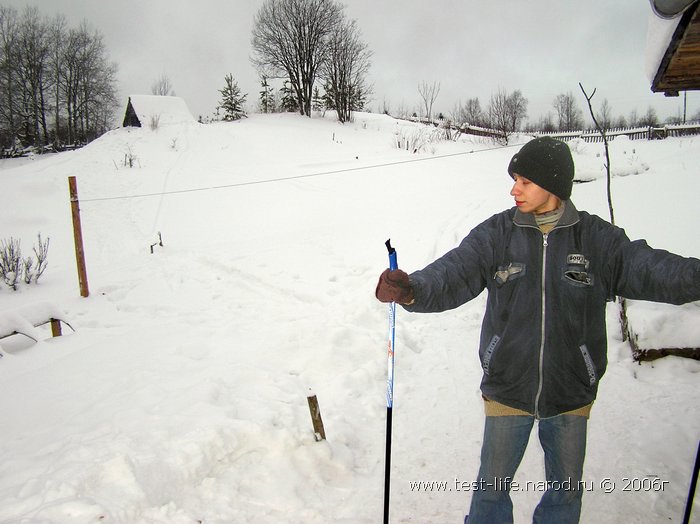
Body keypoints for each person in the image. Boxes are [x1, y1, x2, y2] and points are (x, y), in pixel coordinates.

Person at [374, 136, 700, 524]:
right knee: (490, 494)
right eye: (515, 179)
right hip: (508, 384)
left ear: (554, 184)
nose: (514, 189)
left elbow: (650, 268)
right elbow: (456, 271)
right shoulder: (497, 234)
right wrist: (413, 289)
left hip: (571, 388)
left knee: (564, 494)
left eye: (525, 181)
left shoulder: (597, 240)